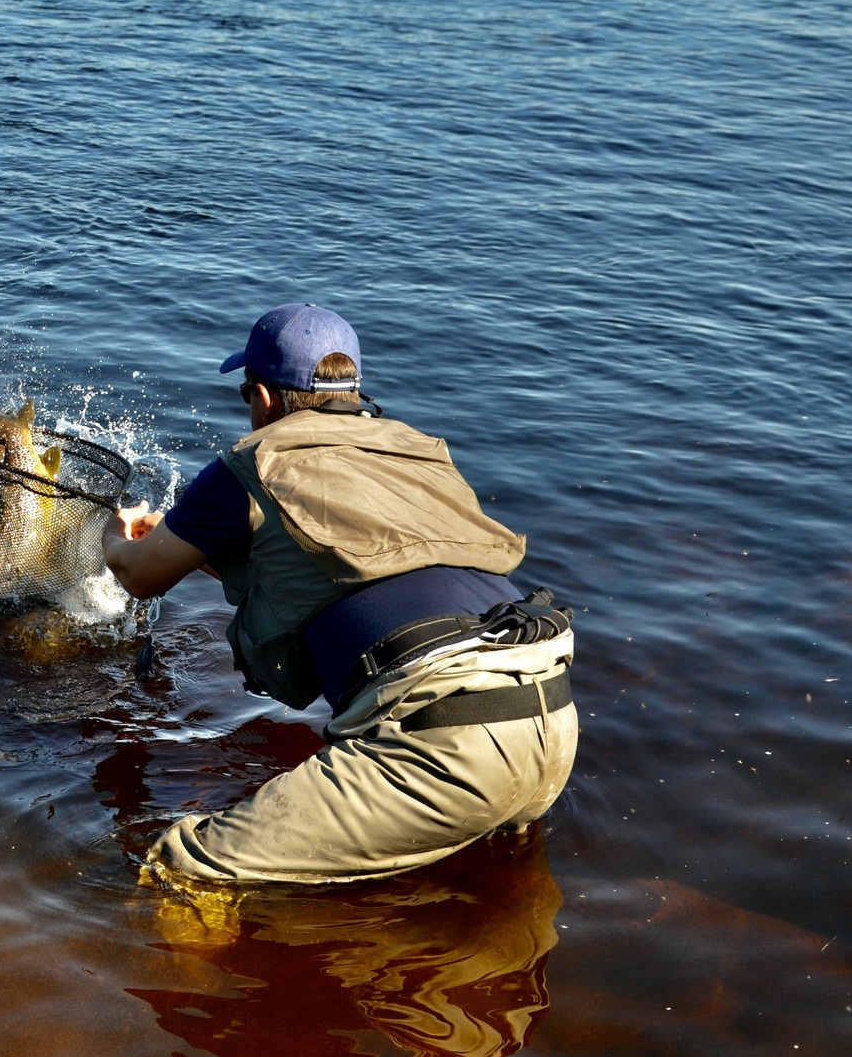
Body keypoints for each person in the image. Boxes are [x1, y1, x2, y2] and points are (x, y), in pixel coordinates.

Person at [102, 303, 577, 884]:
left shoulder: (252, 463)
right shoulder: (414, 450)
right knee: (472, 885)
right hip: (550, 717)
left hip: (444, 737)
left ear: (267, 400)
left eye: (246, 393)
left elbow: (135, 576)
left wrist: (111, 528)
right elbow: (350, 574)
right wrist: (196, 548)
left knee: (180, 870)